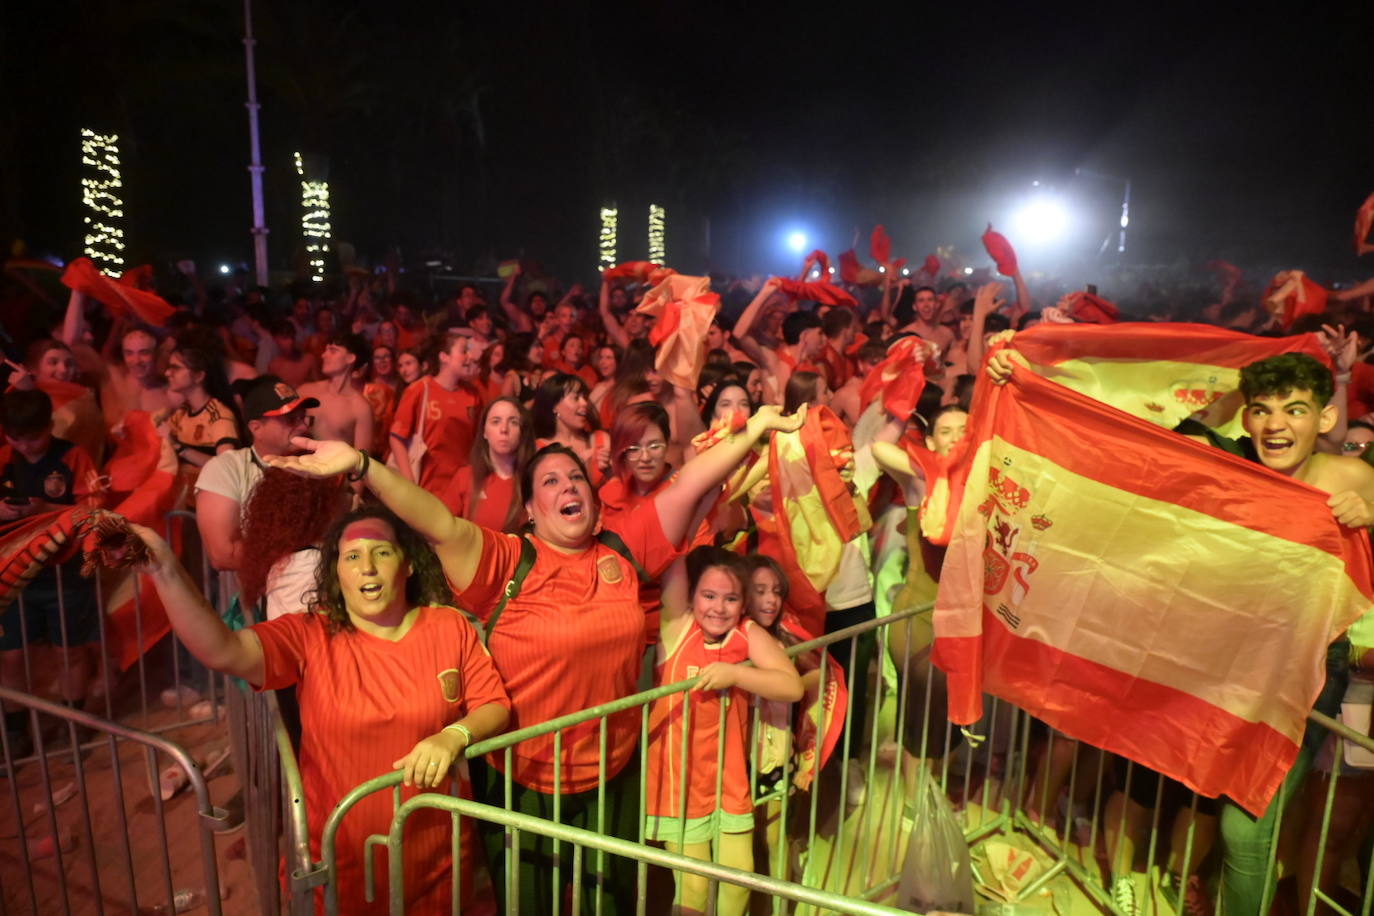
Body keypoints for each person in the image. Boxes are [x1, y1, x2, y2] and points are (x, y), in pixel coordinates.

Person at [264, 400, 805, 914]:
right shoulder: (507, 560)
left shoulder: (620, 549)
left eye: (576, 479)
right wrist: (364, 465)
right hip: (522, 782)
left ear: (593, 501)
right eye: (549, 481)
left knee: (608, 905)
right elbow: (438, 522)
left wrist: (754, 430)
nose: (568, 486)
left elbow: (689, 483)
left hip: (611, 776)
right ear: (529, 508)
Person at [127, 506, 511, 914]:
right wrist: (166, 571)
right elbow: (223, 650)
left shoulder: (448, 627)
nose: (366, 567)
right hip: (340, 862)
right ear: (336, 572)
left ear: (410, 563)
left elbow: (494, 705)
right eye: (351, 556)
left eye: (381, 552)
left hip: (437, 858)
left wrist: (454, 735)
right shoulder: (309, 634)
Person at [644, 547, 802, 916]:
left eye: (730, 598)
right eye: (708, 596)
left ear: (743, 602)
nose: (719, 607)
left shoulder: (745, 633)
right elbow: (674, 556)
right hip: (678, 786)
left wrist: (736, 674)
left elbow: (791, 687)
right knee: (694, 887)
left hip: (729, 782)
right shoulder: (677, 628)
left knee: (739, 881)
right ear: (691, 598)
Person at [0, 389, 103, 756]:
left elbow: (94, 511)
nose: (25, 446)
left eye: (34, 436)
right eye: (16, 438)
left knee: (69, 653)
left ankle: (73, 725)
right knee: (9, 656)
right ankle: (14, 731)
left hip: (65, 576)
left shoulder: (73, 457)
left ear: (49, 426)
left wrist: (46, 508)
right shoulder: (4, 459)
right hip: (13, 577)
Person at [388, 332, 484, 494]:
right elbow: (397, 438)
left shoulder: (473, 395)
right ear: (444, 357)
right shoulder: (419, 389)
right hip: (426, 487)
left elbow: (478, 443)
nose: (469, 357)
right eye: (463, 351)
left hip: (461, 487)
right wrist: (409, 483)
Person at [438, 397, 533, 532]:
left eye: (513, 422)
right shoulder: (465, 477)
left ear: (522, 432)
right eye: (495, 422)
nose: (504, 429)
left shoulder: (533, 481)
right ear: (484, 432)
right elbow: (442, 530)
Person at [162, 345, 242, 491]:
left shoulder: (219, 415)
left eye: (176, 368)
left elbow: (227, 468)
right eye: (169, 367)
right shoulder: (182, 412)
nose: (167, 373)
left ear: (199, 376)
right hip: (185, 493)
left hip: (211, 497)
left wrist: (179, 448)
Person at [298, 333, 374, 454]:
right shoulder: (305, 391)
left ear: (350, 358)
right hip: (295, 467)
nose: (323, 355)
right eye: (325, 350)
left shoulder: (360, 408)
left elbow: (362, 463)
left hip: (334, 471)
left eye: (332, 351)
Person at [530, 373, 611, 485]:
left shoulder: (601, 440)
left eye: (585, 397)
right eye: (576, 398)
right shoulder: (539, 450)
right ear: (554, 406)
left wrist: (611, 473)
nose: (584, 403)